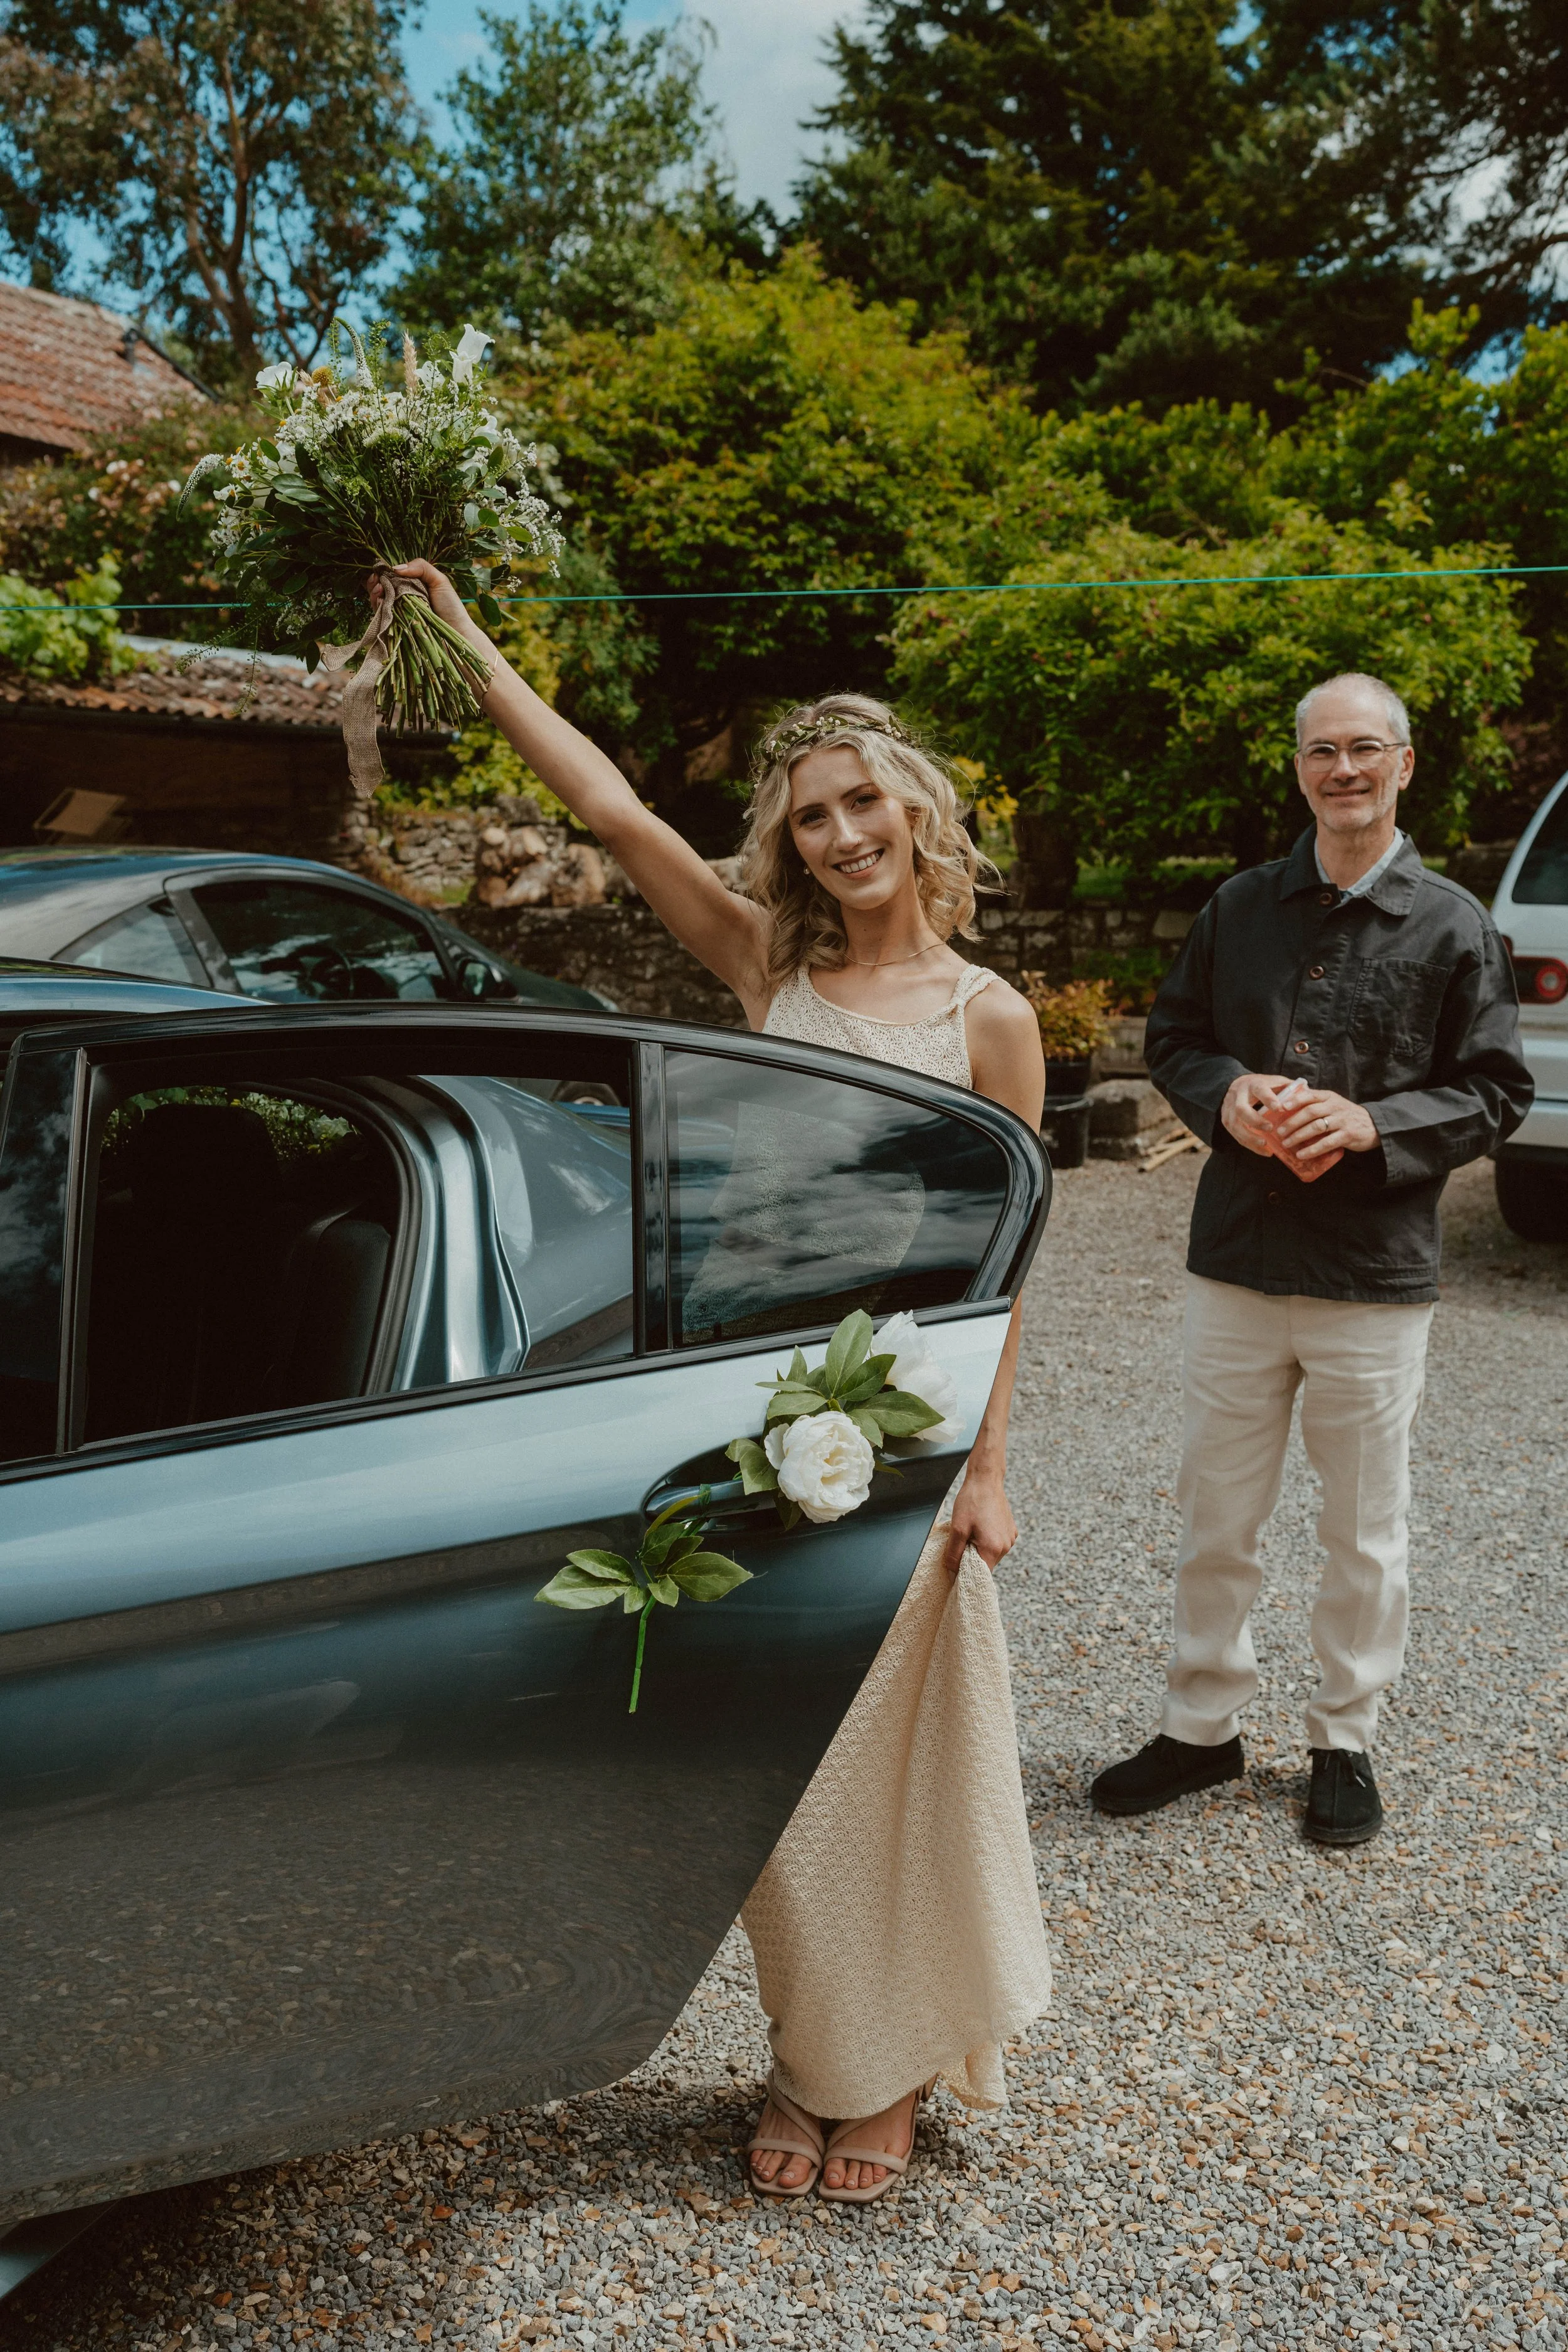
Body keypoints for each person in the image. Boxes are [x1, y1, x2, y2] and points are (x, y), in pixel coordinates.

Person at [369, 565, 1052, 2202]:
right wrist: (464, 644)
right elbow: (605, 800)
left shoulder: (994, 1015)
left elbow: (1019, 1251)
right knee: (770, 1766)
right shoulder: (766, 968)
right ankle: (811, 2046)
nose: (837, 834)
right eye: (811, 813)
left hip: (906, 1431)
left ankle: (871, 2069)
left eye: (861, 801)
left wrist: (988, 1463)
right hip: (755, 1420)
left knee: (892, 1764)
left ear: (915, 811)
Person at [1092, 671, 1532, 1846]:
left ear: (1404, 764)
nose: (1343, 770)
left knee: (1364, 1526)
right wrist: (1225, 1091)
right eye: (1321, 751)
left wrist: (1375, 1124)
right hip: (1236, 1258)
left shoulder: (1455, 924)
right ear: (1298, 768)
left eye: (1365, 750)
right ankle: (1201, 1727)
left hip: (1372, 1274)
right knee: (1215, 1512)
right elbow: (1175, 1039)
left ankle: (1346, 1737)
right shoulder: (1239, 907)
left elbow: (1498, 1090)